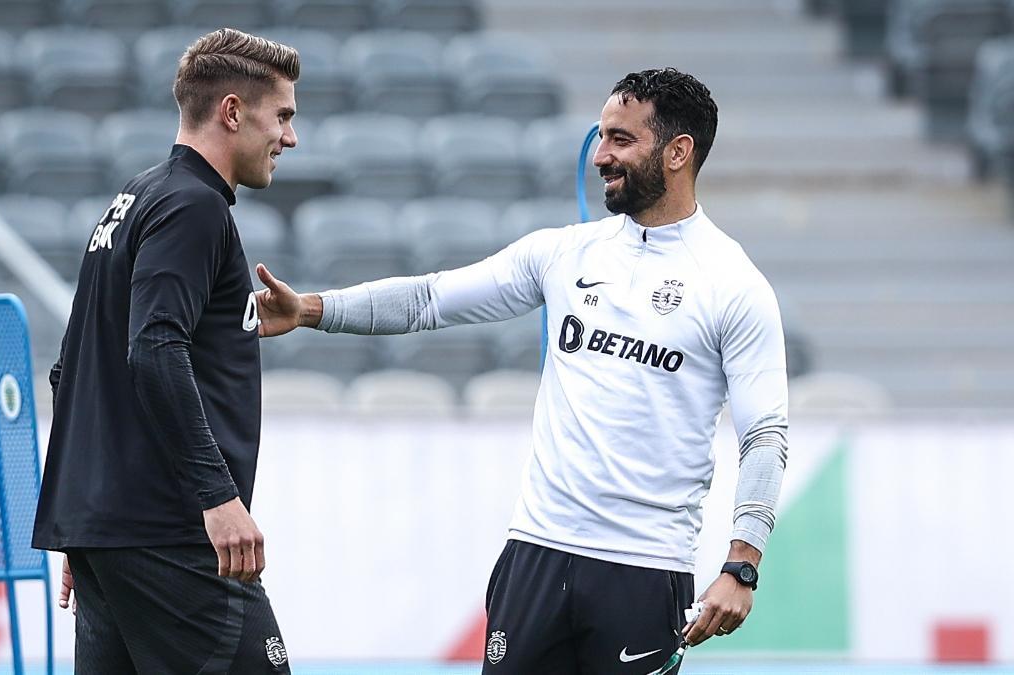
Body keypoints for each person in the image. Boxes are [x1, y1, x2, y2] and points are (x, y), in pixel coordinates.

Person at [253, 68, 788, 674]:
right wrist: (311, 310)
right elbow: (429, 299)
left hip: (644, 567)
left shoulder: (734, 285)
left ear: (678, 152)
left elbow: (764, 435)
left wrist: (741, 566)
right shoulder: (564, 254)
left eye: (620, 140)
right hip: (536, 552)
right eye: (601, 137)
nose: (601, 156)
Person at [31, 28, 299, 674]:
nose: (290, 137)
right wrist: (217, 495)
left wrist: (91, 518)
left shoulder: (135, 198)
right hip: (173, 533)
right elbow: (153, 349)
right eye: (283, 115)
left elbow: (72, 366)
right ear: (232, 111)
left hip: (116, 531)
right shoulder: (193, 208)